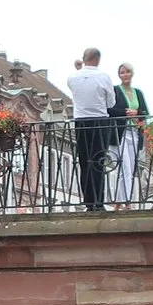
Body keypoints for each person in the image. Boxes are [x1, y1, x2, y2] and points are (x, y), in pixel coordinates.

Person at [66, 47, 114, 212]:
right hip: (100, 121)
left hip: (81, 122)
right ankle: (98, 201)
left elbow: (78, 85)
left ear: (84, 58)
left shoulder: (72, 78)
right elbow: (111, 103)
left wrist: (79, 69)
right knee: (99, 161)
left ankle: (88, 201)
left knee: (85, 161)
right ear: (98, 59)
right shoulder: (104, 77)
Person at [108, 62, 149, 206]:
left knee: (130, 169)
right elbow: (110, 110)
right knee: (124, 167)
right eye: (122, 72)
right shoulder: (115, 90)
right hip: (121, 133)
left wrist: (137, 113)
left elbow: (145, 113)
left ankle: (119, 203)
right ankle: (127, 203)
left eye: (127, 72)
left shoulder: (138, 92)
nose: (124, 75)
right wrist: (126, 113)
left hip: (135, 133)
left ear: (131, 74)